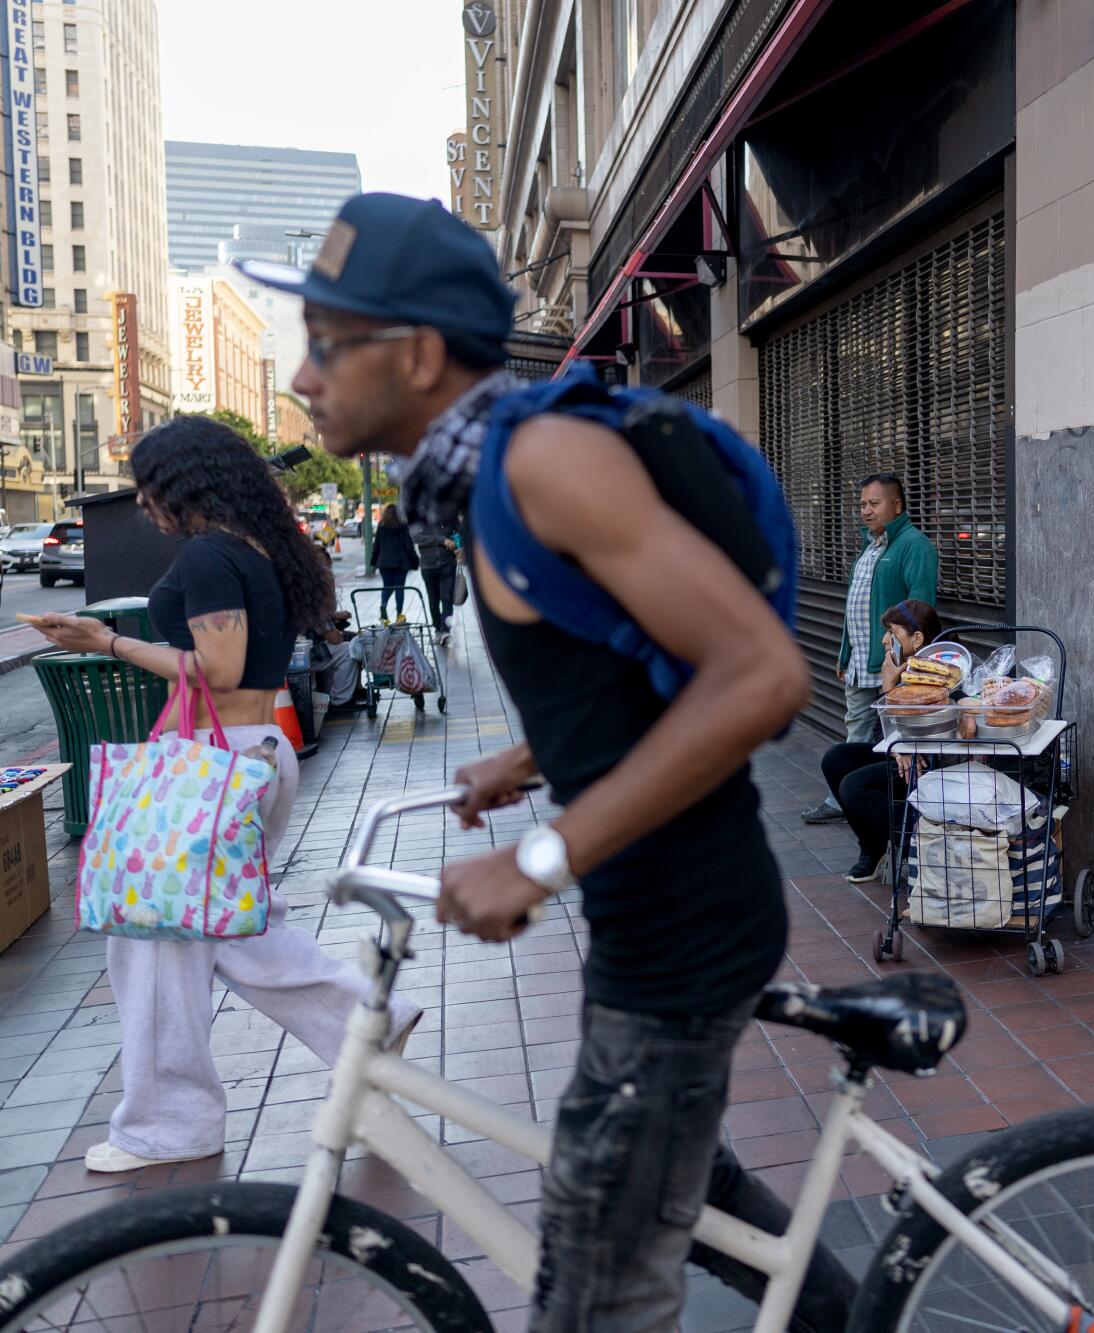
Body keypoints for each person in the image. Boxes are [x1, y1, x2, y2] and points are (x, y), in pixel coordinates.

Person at [250, 191, 854, 1332]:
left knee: (594, 1291)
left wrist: (539, 858)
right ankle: (854, 1313)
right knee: (682, 1180)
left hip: (682, 931)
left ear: (419, 351)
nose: (300, 378)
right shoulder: (486, 483)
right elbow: (621, 663)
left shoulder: (543, 464)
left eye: (326, 344)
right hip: (651, 917)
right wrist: (529, 757)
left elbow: (764, 675)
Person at [26, 417, 420, 1174]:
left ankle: (169, 1123)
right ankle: (367, 1023)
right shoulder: (258, 545)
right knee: (227, 928)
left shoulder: (210, 555)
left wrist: (103, 640)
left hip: (216, 761)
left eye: (150, 486)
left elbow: (217, 667)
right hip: (249, 756)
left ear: (184, 483)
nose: (144, 503)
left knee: (155, 940)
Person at [801, 473, 939, 825]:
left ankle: (886, 806)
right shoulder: (870, 547)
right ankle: (845, 799)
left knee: (896, 739)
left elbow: (920, 609)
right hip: (861, 661)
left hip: (892, 665)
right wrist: (844, 651)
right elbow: (855, 605)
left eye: (874, 503)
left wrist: (909, 662)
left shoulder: (914, 545)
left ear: (897, 505)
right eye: (862, 504)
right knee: (856, 734)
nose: (866, 510)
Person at [818, 599, 941, 881]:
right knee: (837, 759)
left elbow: (940, 729)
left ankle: (918, 844)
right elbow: (878, 733)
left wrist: (890, 690)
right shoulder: (898, 668)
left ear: (917, 638)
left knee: (854, 787)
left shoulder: (941, 669)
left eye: (893, 633)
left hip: (929, 762)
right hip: (901, 756)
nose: (885, 640)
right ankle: (871, 849)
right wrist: (889, 688)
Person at [410, 516, 460, 638]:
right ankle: (438, 629)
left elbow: (460, 532)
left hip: (448, 563)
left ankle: (446, 631)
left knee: (447, 598)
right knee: (434, 600)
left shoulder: (449, 513)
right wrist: (442, 540)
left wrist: (460, 546)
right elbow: (415, 537)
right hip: (428, 566)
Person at [371, 503, 419, 620]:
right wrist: (415, 560)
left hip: (384, 562)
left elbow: (376, 545)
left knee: (387, 586)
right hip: (401, 563)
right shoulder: (403, 526)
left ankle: (383, 604)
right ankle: (399, 614)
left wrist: (374, 561)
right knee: (399, 588)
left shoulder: (381, 526)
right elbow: (409, 545)